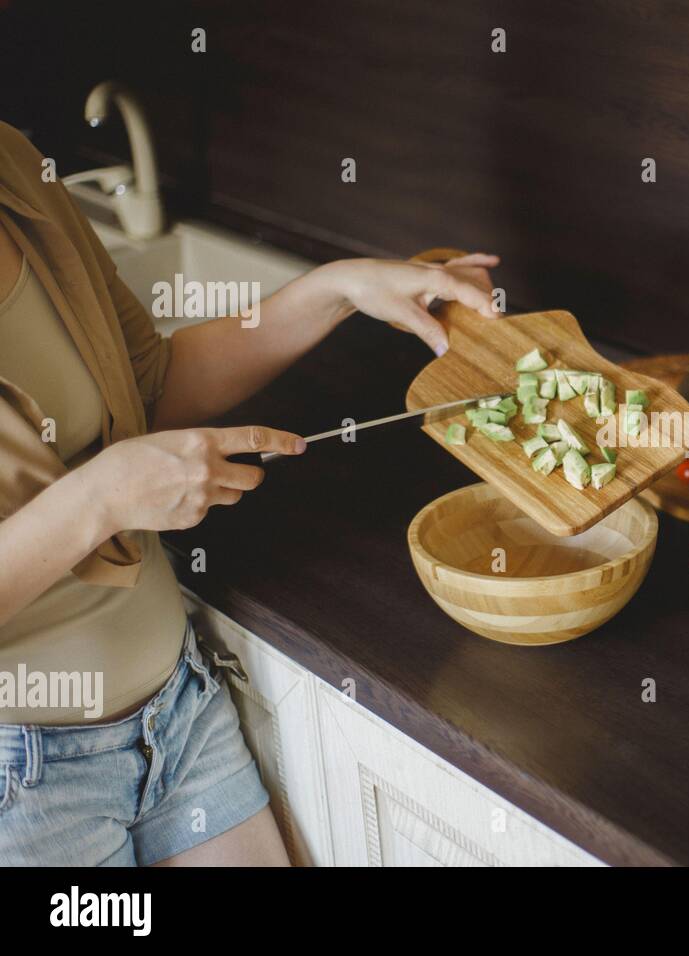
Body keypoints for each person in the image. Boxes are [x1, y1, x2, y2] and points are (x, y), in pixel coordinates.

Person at [0, 120, 497, 865]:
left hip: (178, 719)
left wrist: (337, 290)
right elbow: (96, 493)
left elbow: (150, 383)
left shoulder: (13, 166)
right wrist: (98, 499)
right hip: (25, 790)